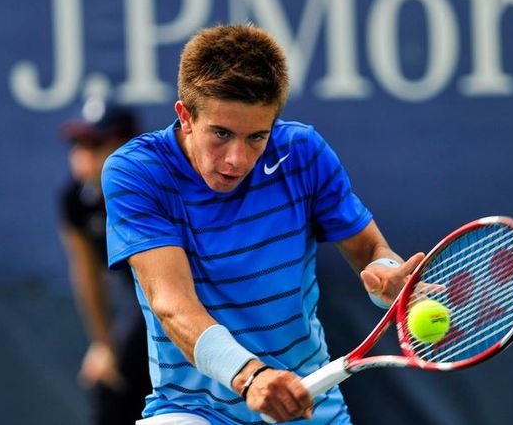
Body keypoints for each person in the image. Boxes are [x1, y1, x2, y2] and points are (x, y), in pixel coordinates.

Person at [102, 24, 424, 424]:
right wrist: (251, 377)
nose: (237, 158)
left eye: (257, 136)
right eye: (221, 133)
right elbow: (172, 305)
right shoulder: (137, 172)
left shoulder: (303, 152)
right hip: (193, 410)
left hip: (308, 405)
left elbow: (373, 252)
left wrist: (388, 277)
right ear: (185, 116)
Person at [57, 100, 152, 425]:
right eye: (78, 144)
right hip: (149, 306)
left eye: (96, 144)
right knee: (109, 380)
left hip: (198, 305)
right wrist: (103, 345)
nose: (84, 155)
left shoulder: (159, 189)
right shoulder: (75, 200)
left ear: (128, 146)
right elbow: (86, 275)